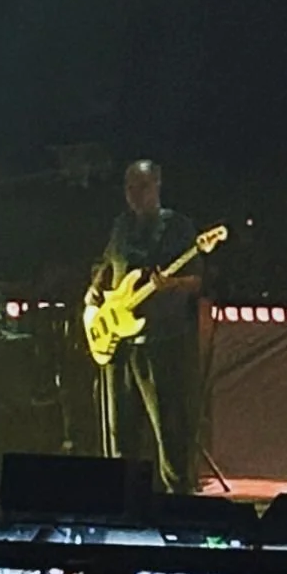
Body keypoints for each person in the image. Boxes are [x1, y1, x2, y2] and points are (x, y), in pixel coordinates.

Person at [90, 160, 205, 495]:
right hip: (119, 344)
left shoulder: (178, 227)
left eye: (141, 187)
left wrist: (172, 284)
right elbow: (108, 265)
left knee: (169, 429)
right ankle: (123, 500)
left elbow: (197, 280)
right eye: (129, 188)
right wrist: (94, 294)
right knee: (120, 432)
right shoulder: (121, 227)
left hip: (161, 340)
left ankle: (178, 504)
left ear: (157, 185)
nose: (134, 195)